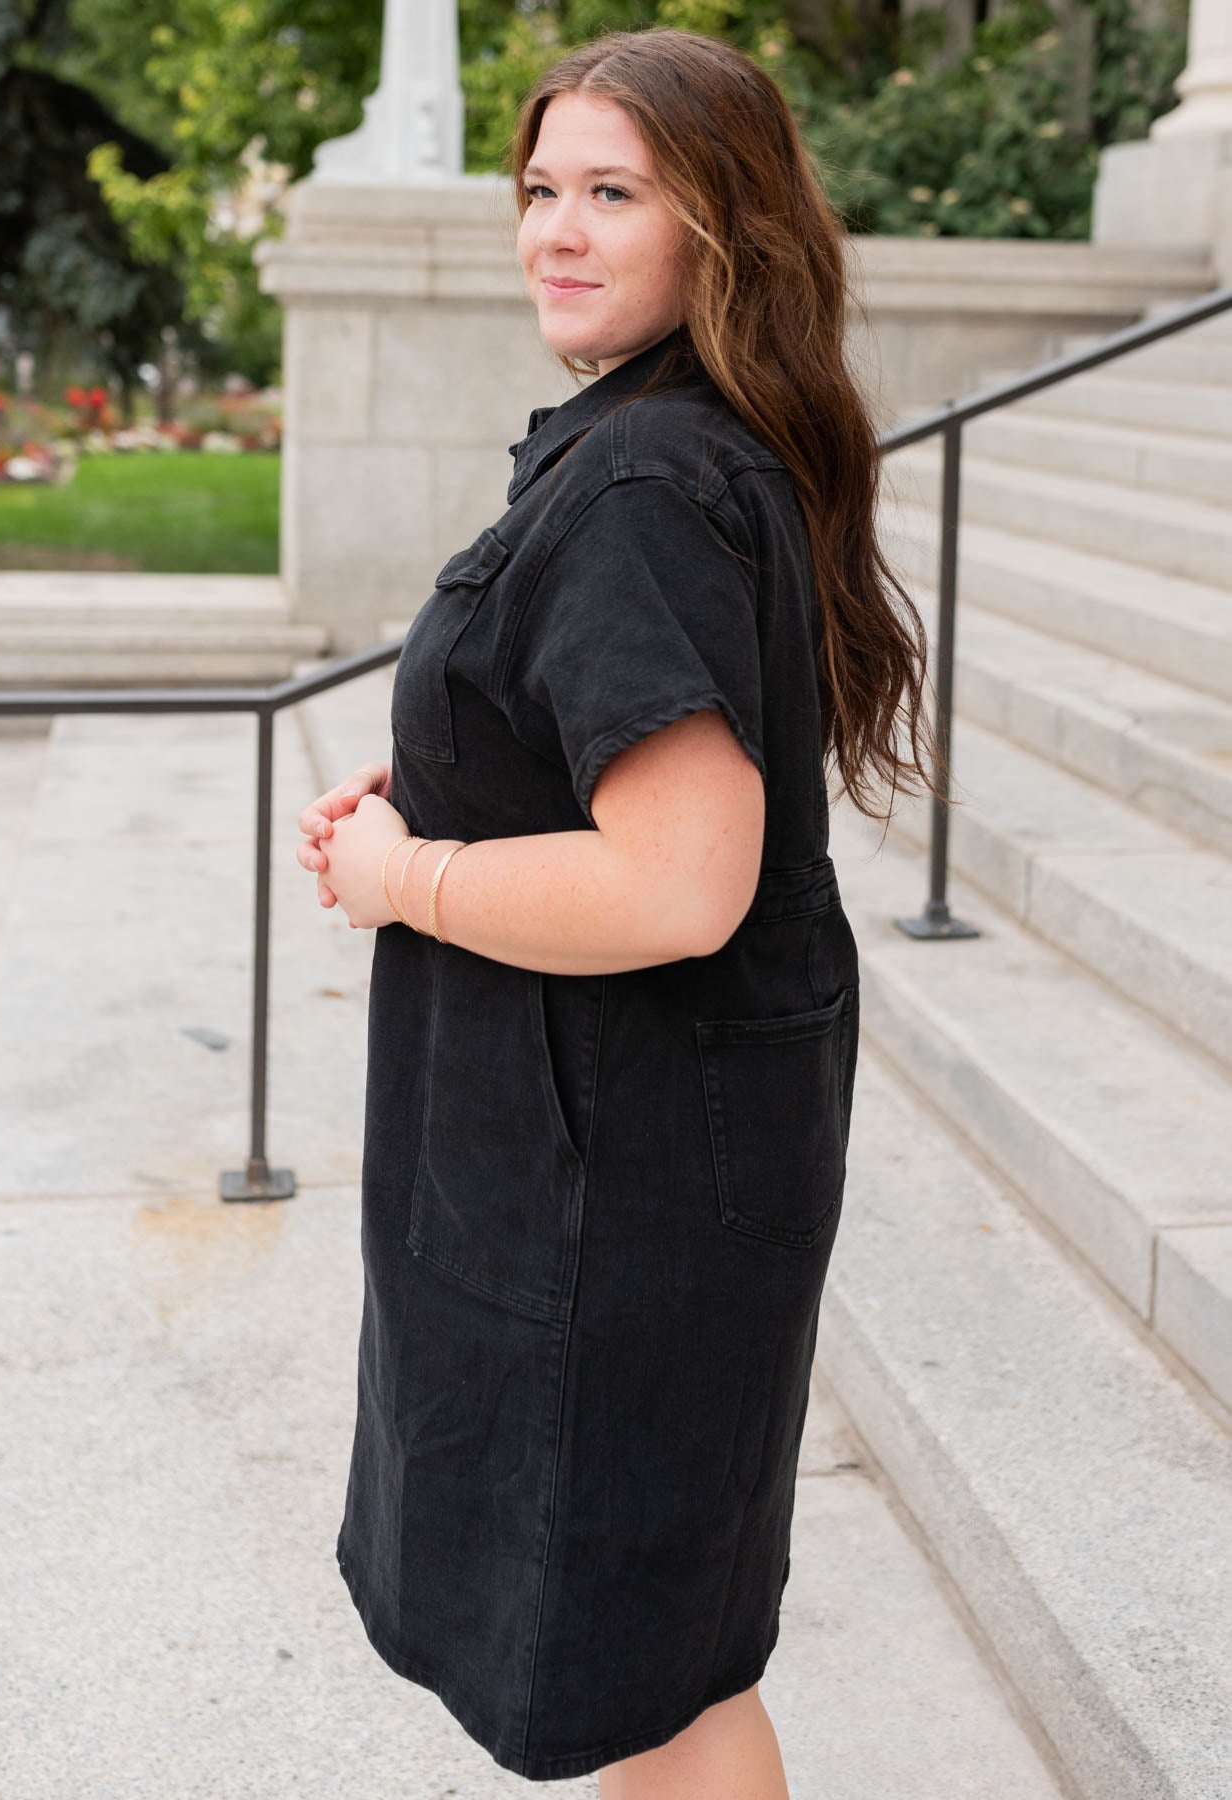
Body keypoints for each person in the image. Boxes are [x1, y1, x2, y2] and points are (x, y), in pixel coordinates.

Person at [295, 24, 942, 1795]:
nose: (553, 232)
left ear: (718, 231)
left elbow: (675, 880)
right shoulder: (665, 444)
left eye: (612, 194)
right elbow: (602, 752)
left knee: (646, 1678)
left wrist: (402, 877)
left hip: (624, 1195)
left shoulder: (650, 481)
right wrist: (446, 785)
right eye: (538, 190)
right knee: (650, 1671)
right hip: (636, 1164)